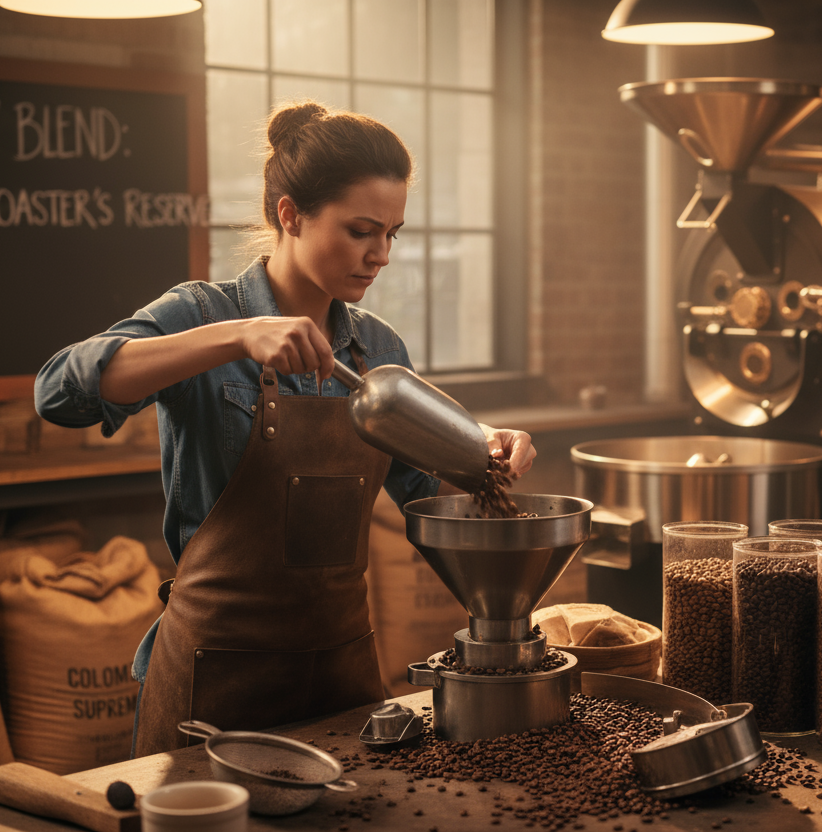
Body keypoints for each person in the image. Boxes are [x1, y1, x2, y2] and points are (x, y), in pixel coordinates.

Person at [34, 101, 535, 757]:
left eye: (392, 233)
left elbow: (423, 489)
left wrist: (485, 450)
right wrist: (236, 337)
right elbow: (59, 393)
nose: (380, 254)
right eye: (361, 231)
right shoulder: (204, 313)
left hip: (343, 675)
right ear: (290, 215)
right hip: (214, 682)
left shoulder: (377, 350)